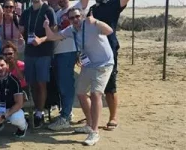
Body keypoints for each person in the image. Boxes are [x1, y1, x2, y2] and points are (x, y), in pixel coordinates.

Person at [44, 7, 115, 145]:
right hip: (88, 65)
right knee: (81, 93)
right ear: (69, 20)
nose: (75, 20)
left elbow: (109, 31)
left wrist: (96, 22)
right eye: (72, 18)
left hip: (103, 64)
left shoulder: (91, 24)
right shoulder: (71, 30)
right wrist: (47, 26)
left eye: (77, 16)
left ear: (82, 16)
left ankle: (94, 132)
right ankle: (89, 124)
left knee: (95, 95)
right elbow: (53, 37)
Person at [47, 0, 89, 131]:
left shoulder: (75, 7)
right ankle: (67, 112)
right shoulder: (58, 12)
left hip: (68, 51)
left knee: (66, 84)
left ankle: (65, 117)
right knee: (61, 84)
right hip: (58, 52)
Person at [91, 0, 131, 131]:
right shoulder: (91, 9)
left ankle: (113, 117)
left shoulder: (113, 4)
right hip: (93, 50)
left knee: (110, 85)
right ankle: (92, 116)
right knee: (92, 85)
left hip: (109, 50)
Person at [18, 0, 56, 128]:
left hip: (44, 52)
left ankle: (40, 113)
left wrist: (41, 39)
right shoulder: (26, 12)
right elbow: (22, 30)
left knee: (41, 83)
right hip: (29, 52)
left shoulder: (48, 10)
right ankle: (36, 112)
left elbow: (53, 32)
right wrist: (20, 34)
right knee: (32, 83)